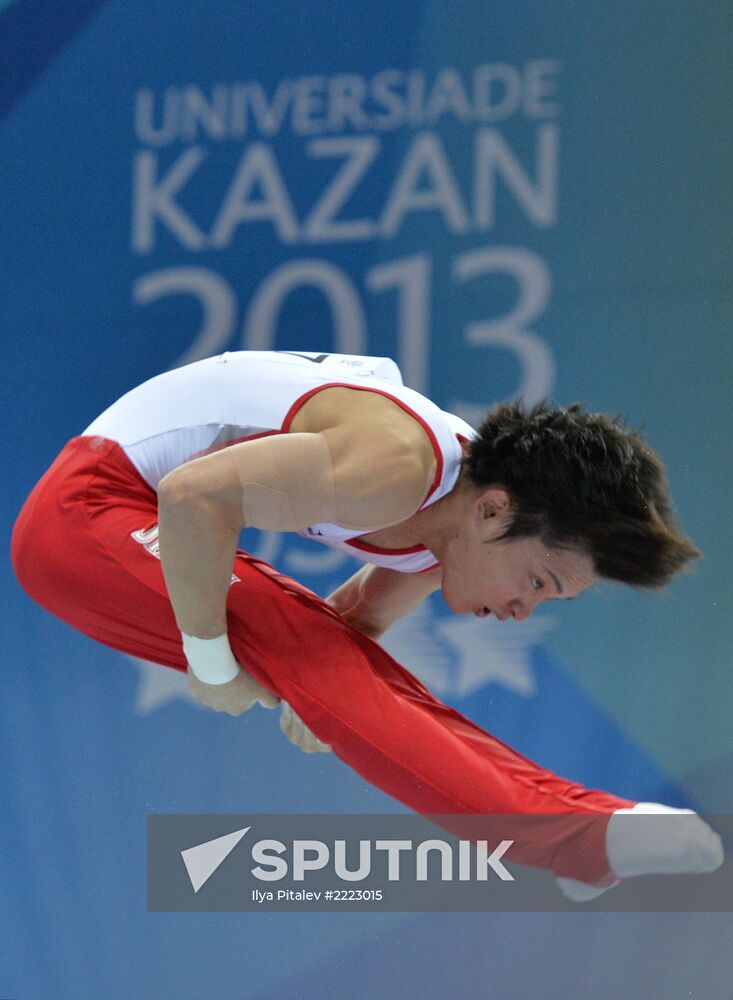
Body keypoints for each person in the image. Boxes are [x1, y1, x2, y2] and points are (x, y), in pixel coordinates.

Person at [10, 349, 723, 900]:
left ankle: (571, 827)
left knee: (326, 657)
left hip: (125, 513)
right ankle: (570, 838)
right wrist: (209, 658)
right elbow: (192, 497)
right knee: (306, 648)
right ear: (493, 511)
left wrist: (321, 701)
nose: (520, 610)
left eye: (547, 600)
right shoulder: (396, 466)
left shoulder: (444, 527)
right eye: (536, 582)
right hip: (83, 510)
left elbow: (349, 635)